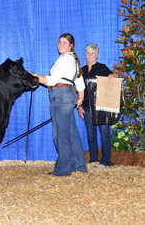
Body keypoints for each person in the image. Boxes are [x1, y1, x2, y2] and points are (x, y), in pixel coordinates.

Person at [32, 33, 88, 176]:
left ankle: (63, 170)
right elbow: (80, 81)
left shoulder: (65, 60)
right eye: (59, 42)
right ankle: (79, 166)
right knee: (71, 132)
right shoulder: (72, 59)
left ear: (71, 45)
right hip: (67, 94)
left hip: (60, 94)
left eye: (64, 43)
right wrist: (79, 98)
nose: (61, 45)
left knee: (60, 135)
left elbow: (51, 80)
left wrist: (32, 76)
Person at [78, 44, 118, 168]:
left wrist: (113, 75)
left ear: (97, 55)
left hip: (101, 106)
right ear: (85, 55)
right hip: (86, 107)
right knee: (91, 134)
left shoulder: (102, 67)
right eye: (88, 53)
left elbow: (115, 75)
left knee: (104, 133)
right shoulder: (81, 70)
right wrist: (79, 107)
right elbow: (78, 90)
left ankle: (105, 161)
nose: (90, 56)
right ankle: (93, 159)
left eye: (92, 53)